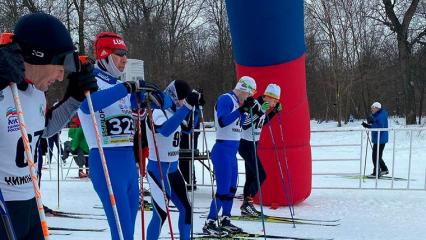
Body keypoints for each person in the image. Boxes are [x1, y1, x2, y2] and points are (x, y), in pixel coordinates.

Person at [0, 12, 97, 240]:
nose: (61, 77)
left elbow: (44, 131)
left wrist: (73, 99)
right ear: (39, 57)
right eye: (60, 66)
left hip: (32, 205)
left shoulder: (36, 94)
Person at [77, 31, 163, 240]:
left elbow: (137, 109)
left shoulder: (119, 85)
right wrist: (126, 88)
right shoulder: (90, 79)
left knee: (129, 229)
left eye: (125, 54)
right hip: (106, 161)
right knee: (122, 231)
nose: (125, 59)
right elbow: (88, 105)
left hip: (128, 162)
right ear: (105, 55)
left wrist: (144, 101)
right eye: (120, 53)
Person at [146, 80, 202, 240]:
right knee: (160, 215)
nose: (184, 102)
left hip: (173, 169)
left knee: (186, 209)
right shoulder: (157, 111)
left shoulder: (175, 111)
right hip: (158, 170)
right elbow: (165, 130)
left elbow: (189, 128)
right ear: (174, 96)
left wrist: (195, 109)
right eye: (183, 98)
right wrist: (186, 108)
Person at [203, 76, 257, 237]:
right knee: (223, 188)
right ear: (243, 89)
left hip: (232, 151)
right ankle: (210, 221)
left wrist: (250, 110)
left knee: (232, 187)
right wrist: (241, 109)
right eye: (249, 94)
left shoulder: (239, 102)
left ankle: (225, 218)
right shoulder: (226, 99)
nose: (249, 97)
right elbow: (222, 121)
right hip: (222, 150)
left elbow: (244, 124)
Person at [239, 83, 282, 216]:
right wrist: (261, 112)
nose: (274, 103)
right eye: (274, 101)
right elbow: (245, 124)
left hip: (253, 145)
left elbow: (263, 122)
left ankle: (246, 208)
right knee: (262, 174)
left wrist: (273, 112)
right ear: (267, 97)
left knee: (251, 177)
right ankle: (248, 203)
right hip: (245, 145)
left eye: (276, 102)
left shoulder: (265, 107)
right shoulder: (255, 104)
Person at [362, 102, 389, 177]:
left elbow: (380, 126)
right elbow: (375, 123)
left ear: (377, 108)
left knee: (375, 156)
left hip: (380, 139)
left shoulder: (381, 115)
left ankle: (376, 172)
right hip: (378, 138)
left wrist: (369, 125)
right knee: (377, 156)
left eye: (373, 108)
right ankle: (384, 169)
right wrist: (370, 123)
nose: (371, 110)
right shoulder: (378, 114)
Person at [179, 106, 201, 191]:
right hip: (184, 136)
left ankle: (191, 183)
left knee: (187, 159)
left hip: (190, 135)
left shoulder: (194, 109)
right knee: (183, 160)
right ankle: (189, 182)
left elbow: (192, 125)